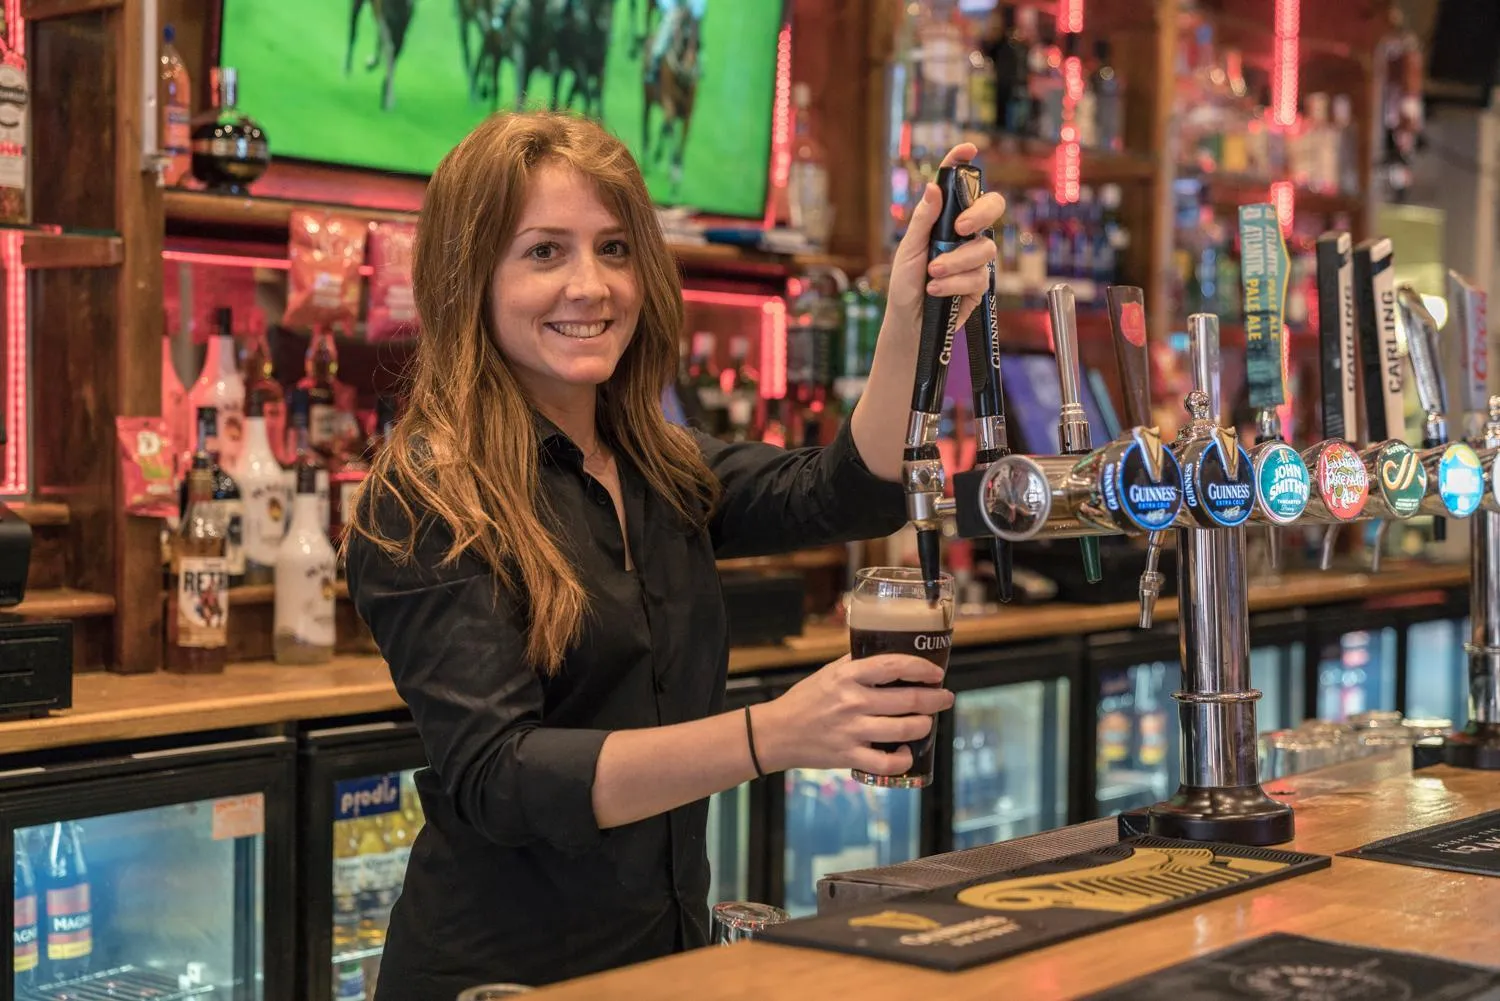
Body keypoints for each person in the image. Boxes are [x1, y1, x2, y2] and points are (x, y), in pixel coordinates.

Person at [343, 111, 1003, 998]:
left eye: (615, 249)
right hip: (501, 980)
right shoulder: (429, 493)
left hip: (662, 958)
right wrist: (774, 733)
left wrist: (911, 318)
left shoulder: (662, 465)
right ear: (471, 279)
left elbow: (848, 486)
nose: (593, 286)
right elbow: (503, 775)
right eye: (544, 252)